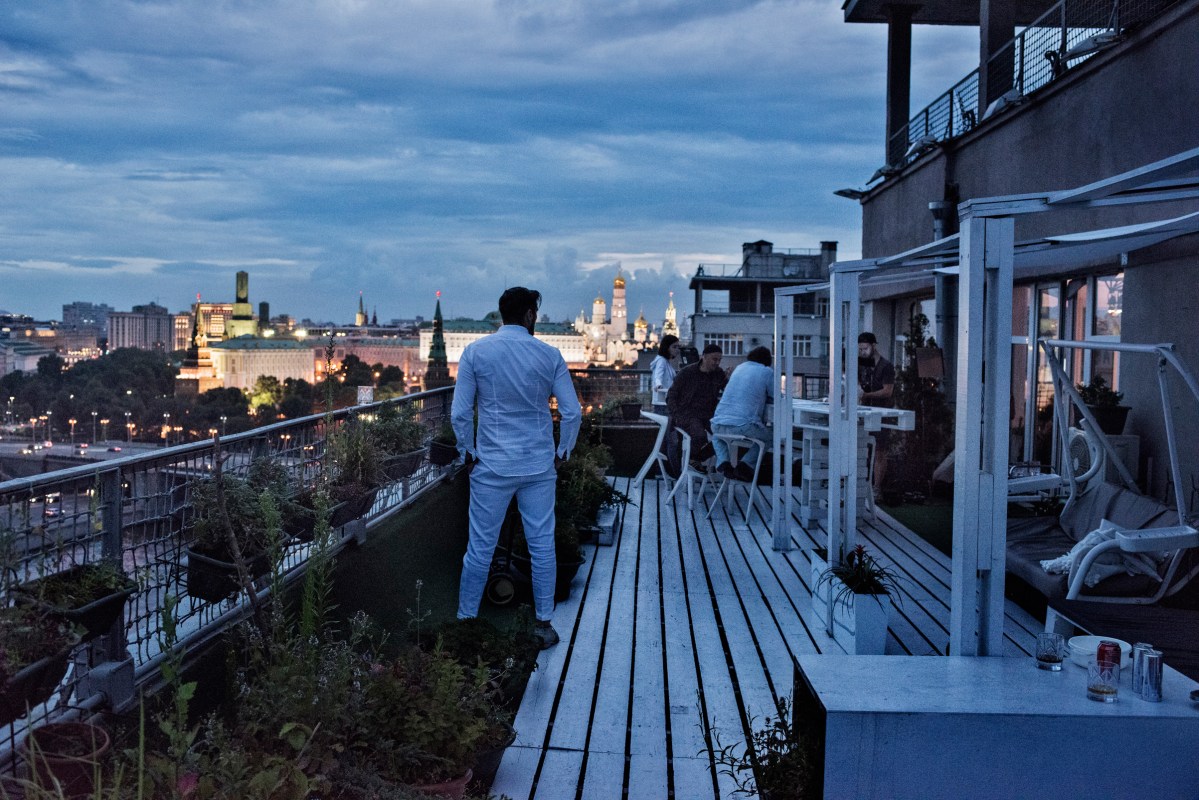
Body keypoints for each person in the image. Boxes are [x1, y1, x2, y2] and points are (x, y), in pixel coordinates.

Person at [452, 287, 582, 649]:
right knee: (542, 546)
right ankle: (543, 623)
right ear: (529, 316)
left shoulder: (476, 352)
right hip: (539, 464)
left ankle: (466, 623)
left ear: (501, 314)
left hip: (491, 465)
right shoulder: (549, 354)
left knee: (480, 547)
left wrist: (468, 451)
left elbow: (460, 413)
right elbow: (571, 413)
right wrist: (563, 451)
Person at [711, 346, 773, 481]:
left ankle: (723, 462)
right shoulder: (766, 371)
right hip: (743, 425)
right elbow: (776, 396)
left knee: (717, 437)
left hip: (716, 423)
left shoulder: (739, 368)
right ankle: (745, 465)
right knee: (772, 436)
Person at [665, 343, 727, 475]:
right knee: (699, 436)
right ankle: (692, 462)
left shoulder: (719, 374)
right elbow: (671, 395)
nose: (717, 363)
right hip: (687, 413)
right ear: (704, 357)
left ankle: (694, 460)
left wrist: (731, 378)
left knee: (724, 436)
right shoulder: (687, 372)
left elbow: (728, 391)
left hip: (708, 415)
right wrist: (677, 415)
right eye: (714, 359)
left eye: (719, 360)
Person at [857, 332, 895, 497]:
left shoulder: (886, 366)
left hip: (881, 412)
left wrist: (866, 395)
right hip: (865, 412)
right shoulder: (863, 365)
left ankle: (876, 488)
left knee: (880, 450)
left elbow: (888, 391)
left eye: (865, 348)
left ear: (873, 346)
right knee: (863, 448)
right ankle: (863, 485)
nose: (862, 352)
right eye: (860, 349)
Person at [650, 334, 681, 415]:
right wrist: (658, 384)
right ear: (666, 348)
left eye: (678, 347)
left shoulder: (666, 362)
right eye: (674, 347)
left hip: (665, 400)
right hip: (662, 402)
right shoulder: (661, 361)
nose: (677, 350)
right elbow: (658, 375)